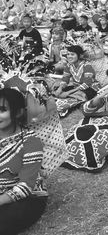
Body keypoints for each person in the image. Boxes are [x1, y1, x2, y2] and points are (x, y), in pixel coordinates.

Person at [0, 88, 46, 235]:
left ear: (18, 113)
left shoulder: (31, 142)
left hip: (25, 198)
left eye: (2, 109)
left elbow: (25, 187)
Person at [53, 45, 100, 117]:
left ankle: (66, 104)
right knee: (57, 89)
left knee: (78, 95)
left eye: (72, 54)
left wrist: (68, 92)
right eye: (68, 54)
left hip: (90, 88)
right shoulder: (69, 66)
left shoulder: (87, 66)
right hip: (77, 87)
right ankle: (68, 97)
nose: (69, 56)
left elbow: (87, 84)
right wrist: (60, 89)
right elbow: (65, 79)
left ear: (79, 55)